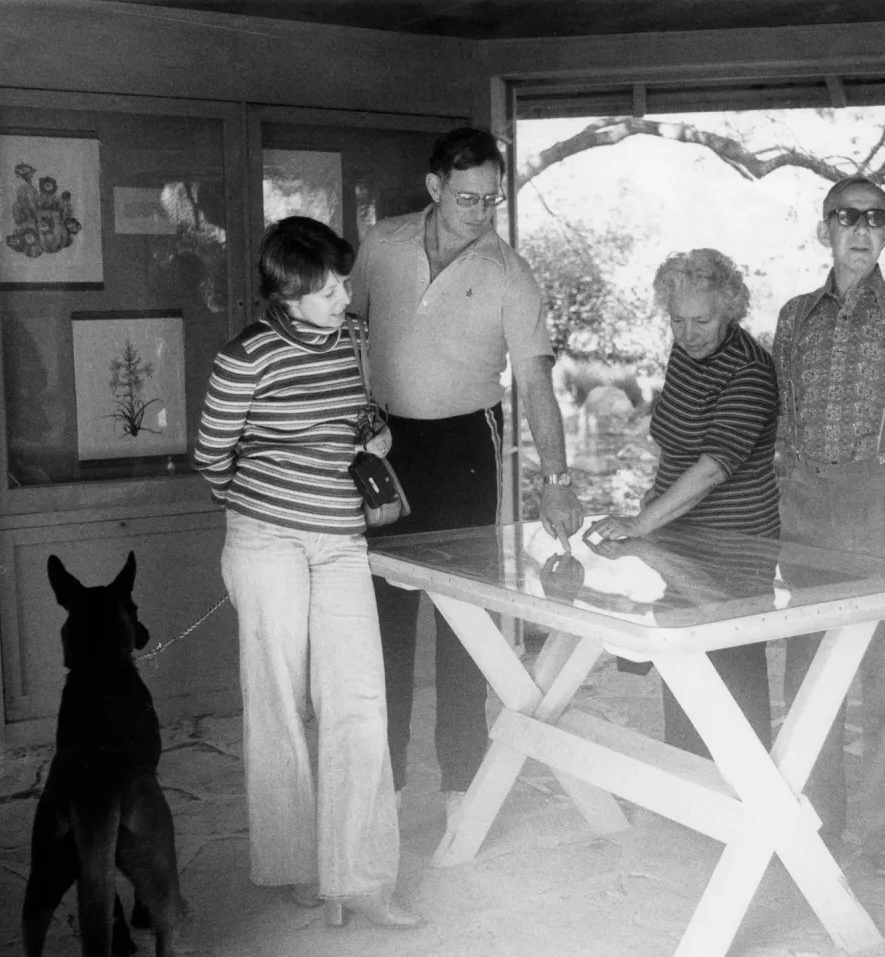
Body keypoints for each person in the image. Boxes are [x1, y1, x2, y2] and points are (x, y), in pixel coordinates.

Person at [348, 128, 584, 819]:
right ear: (434, 187)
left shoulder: (509, 271)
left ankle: (460, 785)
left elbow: (535, 382)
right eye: (467, 198)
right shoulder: (381, 246)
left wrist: (558, 480)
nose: (480, 212)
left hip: (465, 446)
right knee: (383, 615)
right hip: (385, 446)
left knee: (463, 619)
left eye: (491, 199)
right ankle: (382, 789)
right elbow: (346, 337)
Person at [193, 217, 420, 928]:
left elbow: (362, 416)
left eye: (343, 283)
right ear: (286, 294)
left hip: (340, 537)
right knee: (280, 702)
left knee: (359, 700)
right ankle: (296, 865)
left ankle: (360, 877)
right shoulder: (246, 357)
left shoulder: (353, 340)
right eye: (325, 291)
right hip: (265, 539)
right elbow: (211, 456)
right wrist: (266, 504)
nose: (342, 297)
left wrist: (374, 432)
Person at [772, 176, 885, 878]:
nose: (860, 229)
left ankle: (884, 831)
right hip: (808, 504)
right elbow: (784, 415)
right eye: (846, 217)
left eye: (875, 218)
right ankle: (812, 817)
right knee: (808, 673)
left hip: (882, 502)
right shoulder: (793, 317)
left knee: (883, 678)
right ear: (825, 228)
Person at [589, 248, 778, 757]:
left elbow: (713, 467)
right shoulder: (686, 354)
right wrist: (648, 524)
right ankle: (690, 794)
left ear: (730, 310)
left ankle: (748, 799)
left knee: (731, 668)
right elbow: (676, 446)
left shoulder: (750, 369)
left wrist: (641, 522)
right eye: (678, 320)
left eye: (703, 320)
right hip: (678, 535)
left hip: (735, 541)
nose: (689, 332)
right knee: (683, 666)